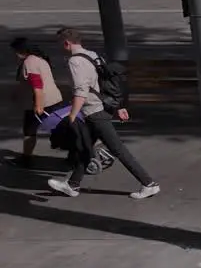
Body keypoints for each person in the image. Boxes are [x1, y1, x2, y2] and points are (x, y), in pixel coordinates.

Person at [46, 27, 160, 199]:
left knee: (118, 149)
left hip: (94, 112)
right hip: (100, 108)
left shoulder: (75, 62)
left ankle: (149, 184)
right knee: (86, 148)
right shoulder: (92, 55)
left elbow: (81, 91)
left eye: (60, 43)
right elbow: (109, 82)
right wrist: (119, 105)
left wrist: (72, 115)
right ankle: (72, 185)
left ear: (67, 43)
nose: (60, 47)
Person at [9, 37, 67, 168]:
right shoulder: (40, 59)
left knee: (30, 131)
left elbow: (37, 86)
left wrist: (38, 106)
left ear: (20, 51)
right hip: (54, 99)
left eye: (15, 51)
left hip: (41, 103)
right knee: (61, 127)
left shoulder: (29, 62)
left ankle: (26, 159)